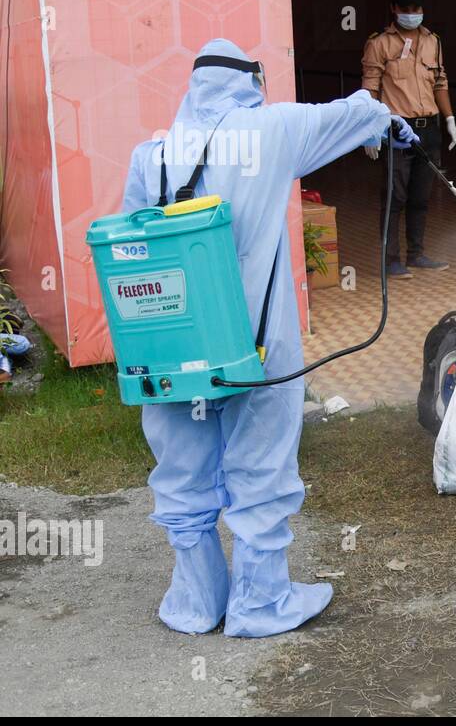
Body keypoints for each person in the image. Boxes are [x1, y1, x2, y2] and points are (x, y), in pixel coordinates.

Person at [121, 38, 407, 636]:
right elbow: (352, 111)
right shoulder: (272, 130)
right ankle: (260, 603)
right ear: (251, 81)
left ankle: (196, 602)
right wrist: (385, 119)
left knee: (182, 468)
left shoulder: (151, 156)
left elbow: (133, 257)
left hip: (173, 348)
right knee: (261, 465)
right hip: (256, 349)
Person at [361, 0, 456, 278]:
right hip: (396, 129)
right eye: (405, 8)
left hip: (428, 127)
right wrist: (370, 130)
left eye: (416, 8)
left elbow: (440, 82)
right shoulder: (379, 44)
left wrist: (450, 118)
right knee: (394, 196)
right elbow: (370, 88)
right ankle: (391, 260)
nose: (412, 14)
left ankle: (416, 253)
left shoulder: (434, 41)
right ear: (394, 9)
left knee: (420, 195)